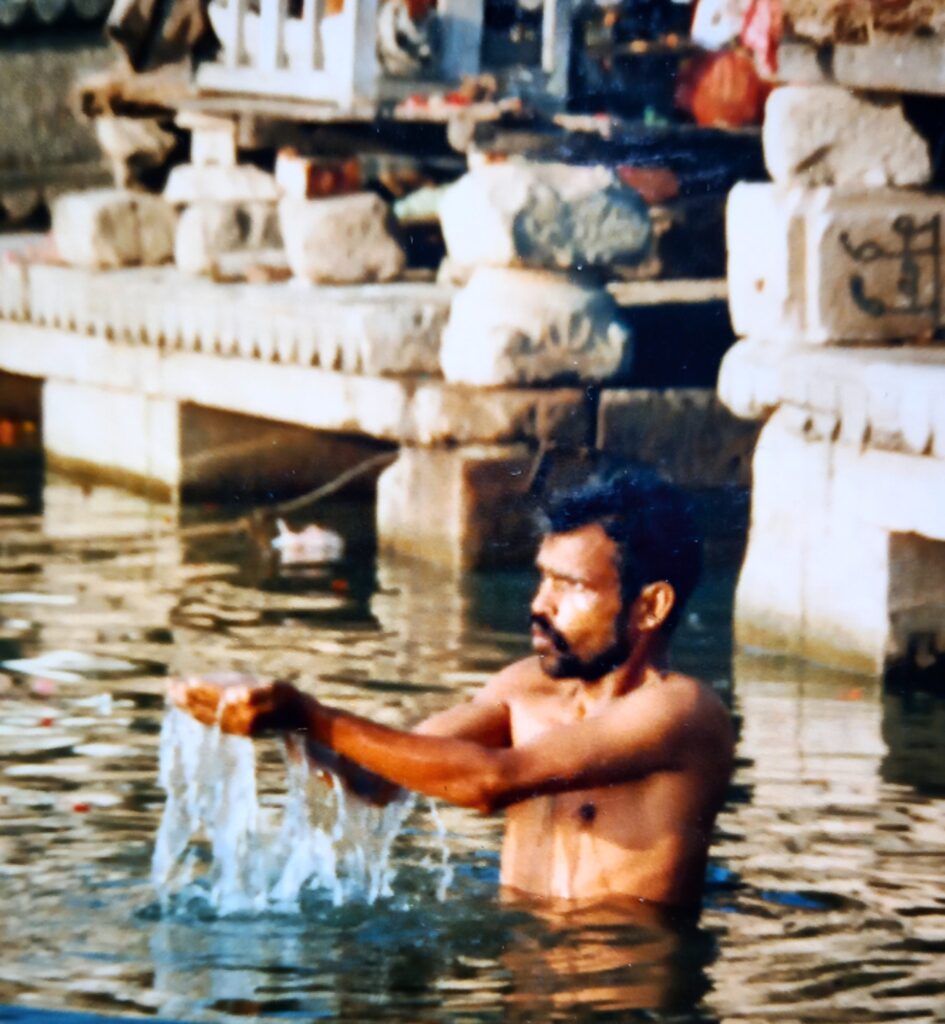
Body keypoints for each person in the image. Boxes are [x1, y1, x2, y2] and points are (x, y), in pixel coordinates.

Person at [171, 466, 735, 908]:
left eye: (570, 586)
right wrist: (278, 724)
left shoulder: (681, 712)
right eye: (543, 578)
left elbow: (491, 781)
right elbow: (373, 781)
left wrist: (310, 714)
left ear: (650, 606)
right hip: (519, 978)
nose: (539, 605)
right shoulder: (524, 688)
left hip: (620, 994)